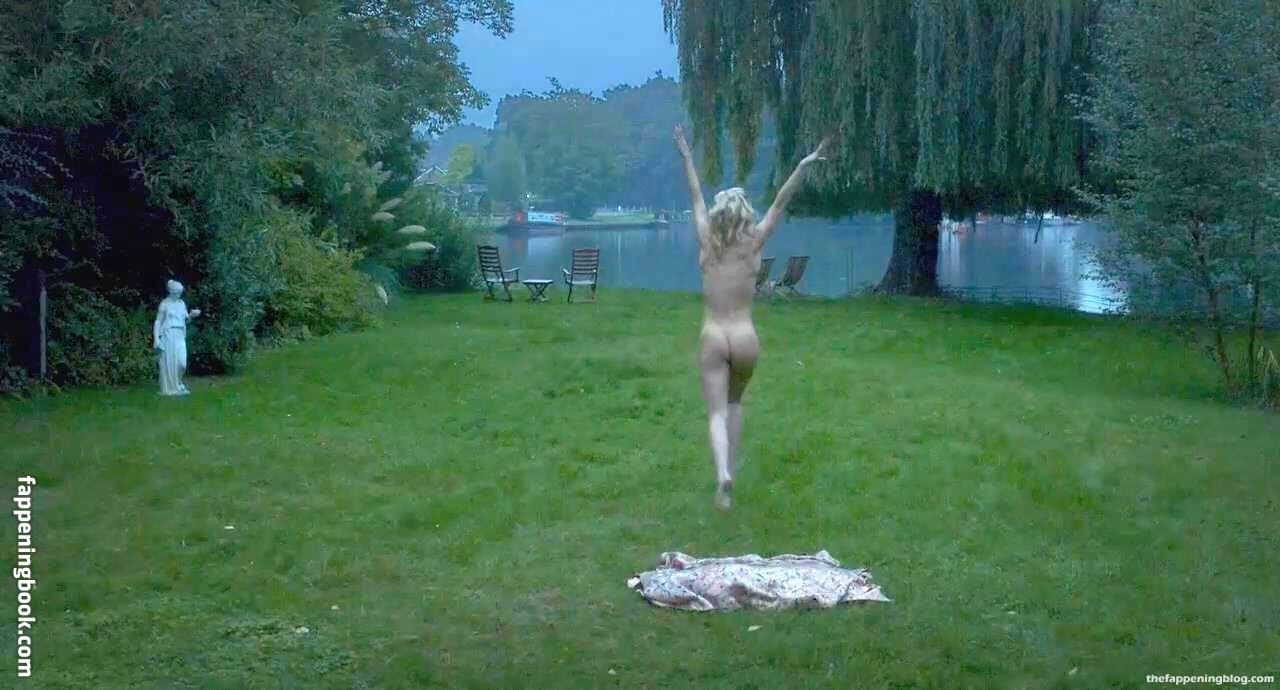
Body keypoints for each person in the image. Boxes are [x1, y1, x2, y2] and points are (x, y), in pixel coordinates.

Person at [674, 124, 831, 510]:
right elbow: (780, 202)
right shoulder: (755, 241)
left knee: (715, 412)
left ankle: (722, 475)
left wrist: (687, 156)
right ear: (744, 214)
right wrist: (804, 165)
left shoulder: (707, 240)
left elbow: (695, 196)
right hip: (745, 337)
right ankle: (731, 468)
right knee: (734, 405)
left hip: (713, 334)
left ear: (719, 215)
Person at [154, 280, 201, 396]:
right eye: (177, 292)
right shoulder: (165, 304)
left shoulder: (181, 304)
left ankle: (178, 383)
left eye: (180, 293)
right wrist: (156, 339)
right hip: (168, 334)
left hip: (180, 334)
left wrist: (192, 315)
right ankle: (170, 387)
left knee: (181, 363)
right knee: (170, 362)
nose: (179, 295)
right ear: (171, 291)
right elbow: (158, 321)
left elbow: (186, 320)